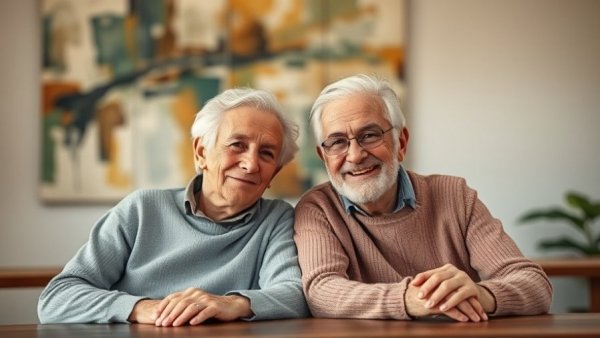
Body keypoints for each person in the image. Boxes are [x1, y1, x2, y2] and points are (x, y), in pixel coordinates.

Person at [38, 88, 310, 326]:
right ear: (201, 153)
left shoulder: (276, 219)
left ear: (274, 173)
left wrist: (233, 303)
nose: (251, 164)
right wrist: (143, 308)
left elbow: (296, 295)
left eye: (266, 153)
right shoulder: (141, 209)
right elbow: (58, 297)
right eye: (237, 145)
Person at [293, 74, 552, 322]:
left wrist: (481, 294)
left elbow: (534, 283)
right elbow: (321, 292)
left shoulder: (455, 196)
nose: (355, 155)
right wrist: (408, 298)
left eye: (370, 135)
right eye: (337, 142)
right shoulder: (318, 208)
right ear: (323, 157)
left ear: (401, 142)